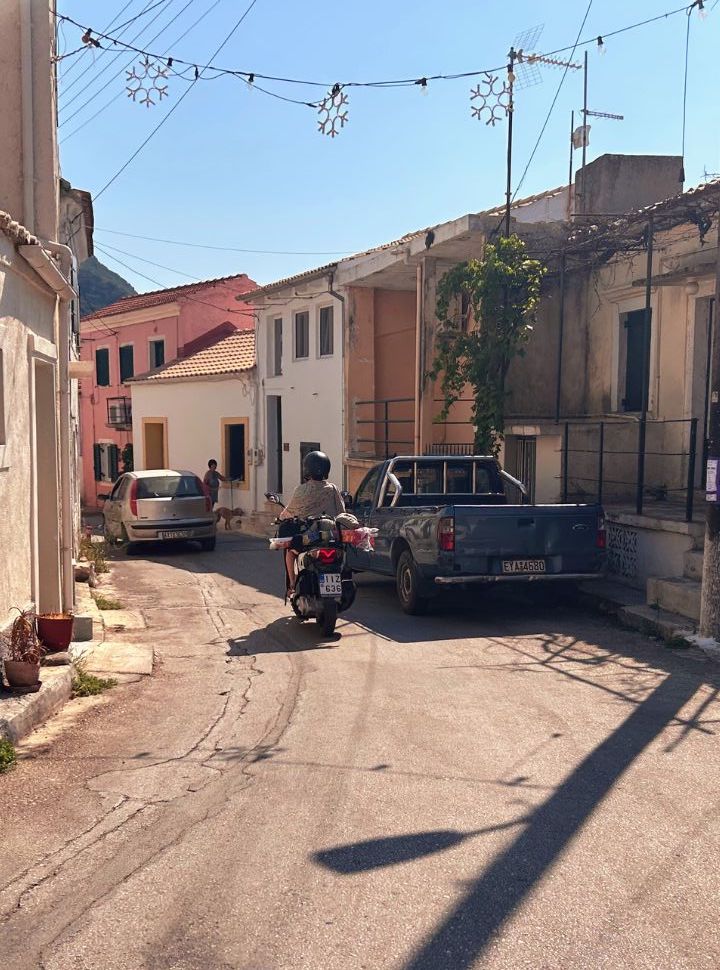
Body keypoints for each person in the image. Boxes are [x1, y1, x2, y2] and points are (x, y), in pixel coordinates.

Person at [279, 450, 344, 593]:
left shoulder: (301, 490)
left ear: (306, 469)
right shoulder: (332, 489)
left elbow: (289, 512)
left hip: (310, 538)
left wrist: (281, 518)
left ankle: (291, 585)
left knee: (290, 552)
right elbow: (341, 512)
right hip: (331, 537)